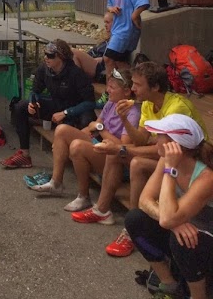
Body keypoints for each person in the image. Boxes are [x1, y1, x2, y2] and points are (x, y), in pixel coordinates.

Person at [78, 61, 210, 230]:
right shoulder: (148, 103)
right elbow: (141, 140)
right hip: (169, 157)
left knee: (136, 163)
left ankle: (133, 227)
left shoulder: (177, 108)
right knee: (116, 155)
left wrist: (121, 148)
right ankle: (103, 211)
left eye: (138, 84)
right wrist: (124, 119)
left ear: (155, 87)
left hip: (189, 161)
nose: (133, 89)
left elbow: (167, 149)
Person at [29, 61, 139, 256]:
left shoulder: (133, 112)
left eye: (112, 87)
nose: (107, 90)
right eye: (108, 86)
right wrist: (77, 136)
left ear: (127, 91)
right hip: (101, 147)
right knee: (62, 130)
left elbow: (121, 146)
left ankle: (84, 196)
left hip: (117, 161)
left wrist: (99, 130)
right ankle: (56, 182)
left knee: (77, 146)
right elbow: (92, 127)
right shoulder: (111, 104)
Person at [125, 114, 213, 298]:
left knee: (184, 240)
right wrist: (175, 224)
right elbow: (144, 200)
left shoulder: (207, 178)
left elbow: (167, 219)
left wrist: (170, 170)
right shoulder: (166, 162)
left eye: (160, 136)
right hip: (188, 235)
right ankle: (170, 285)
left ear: (175, 145)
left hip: (205, 245)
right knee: (135, 219)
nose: (155, 139)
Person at [0, 37, 95, 170]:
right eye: (45, 54)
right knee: (20, 106)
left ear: (61, 57)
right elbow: (35, 91)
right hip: (57, 105)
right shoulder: (44, 69)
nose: (46, 58)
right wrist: (32, 102)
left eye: (50, 55)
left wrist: (66, 113)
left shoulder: (76, 73)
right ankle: (24, 154)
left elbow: (90, 102)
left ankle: (88, 158)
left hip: (76, 109)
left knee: (88, 118)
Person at [104, 0, 151, 69]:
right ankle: (130, 77)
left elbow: (144, 1)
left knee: (108, 58)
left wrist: (134, 15)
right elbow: (109, 5)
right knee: (118, 61)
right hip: (117, 28)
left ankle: (110, 80)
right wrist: (112, 8)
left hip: (126, 30)